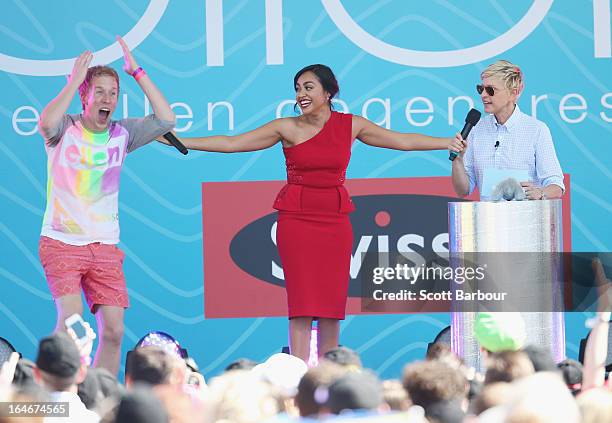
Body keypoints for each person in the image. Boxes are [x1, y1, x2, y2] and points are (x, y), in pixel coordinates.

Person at [168, 64, 451, 361]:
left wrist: (447, 142)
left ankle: (330, 374)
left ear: (328, 92)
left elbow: (402, 141)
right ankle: (298, 374)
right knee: (302, 305)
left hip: (336, 220)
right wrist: (178, 141)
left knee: (331, 304)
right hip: (297, 221)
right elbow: (232, 143)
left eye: (308, 87)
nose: (301, 94)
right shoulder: (286, 127)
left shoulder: (351, 124)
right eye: (298, 88)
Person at [37, 36, 176, 375]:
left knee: (113, 332)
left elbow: (166, 120)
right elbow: (45, 122)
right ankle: (55, 395)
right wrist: (74, 80)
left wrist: (136, 72)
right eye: (98, 91)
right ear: (84, 97)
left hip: (104, 247)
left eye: (112, 93)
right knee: (72, 329)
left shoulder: (122, 133)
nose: (107, 99)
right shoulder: (64, 129)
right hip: (61, 242)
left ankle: (100, 398)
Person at [449, 59, 564, 201]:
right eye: (481, 89)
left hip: (527, 220)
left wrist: (541, 193)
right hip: (488, 221)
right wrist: (458, 160)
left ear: (513, 93)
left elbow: (556, 186)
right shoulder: (476, 130)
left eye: (490, 90)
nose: (483, 95)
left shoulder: (537, 130)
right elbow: (463, 190)